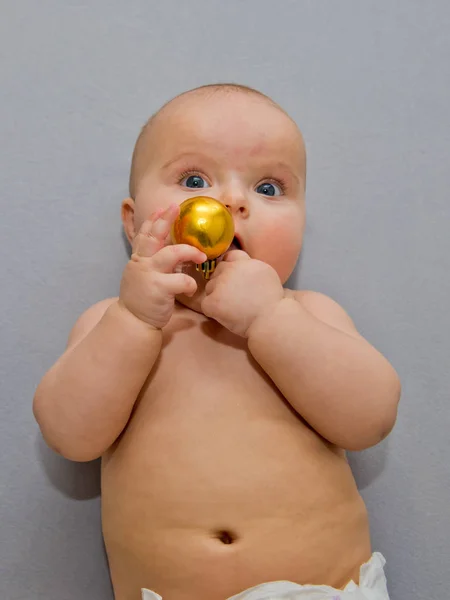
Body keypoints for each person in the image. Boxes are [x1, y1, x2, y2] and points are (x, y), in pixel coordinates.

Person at [33, 83, 401, 600]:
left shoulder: (309, 314)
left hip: (323, 589)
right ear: (134, 220)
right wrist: (135, 320)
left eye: (269, 188)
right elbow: (69, 435)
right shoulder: (111, 324)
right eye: (194, 179)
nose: (230, 201)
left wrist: (270, 318)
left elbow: (371, 418)